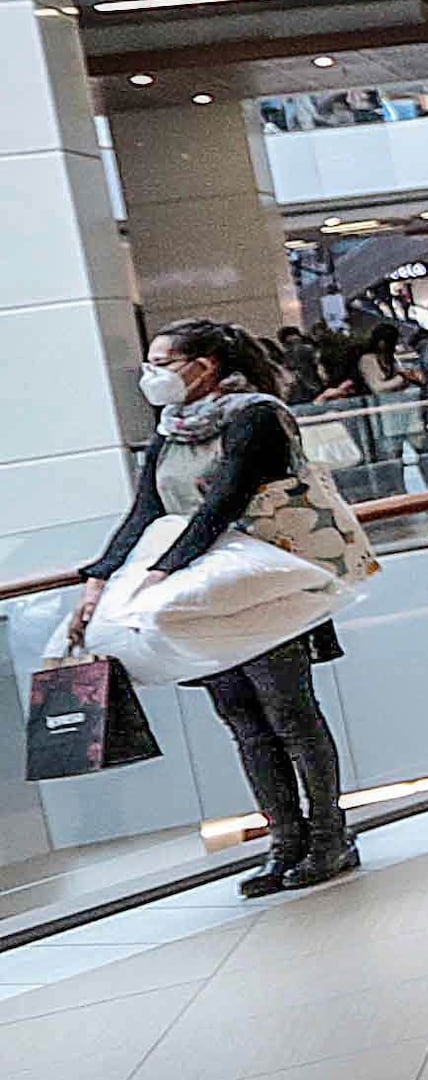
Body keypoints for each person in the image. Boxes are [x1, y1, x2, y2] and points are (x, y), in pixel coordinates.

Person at [65, 323, 363, 893]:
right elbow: (146, 508)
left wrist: (160, 572)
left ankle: (329, 837)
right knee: (244, 722)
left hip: (262, 587)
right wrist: (100, 578)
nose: (152, 376)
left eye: (163, 362)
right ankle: (286, 841)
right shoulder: (170, 430)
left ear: (203, 366)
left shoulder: (254, 416)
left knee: (290, 715)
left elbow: (224, 502)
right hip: (199, 595)